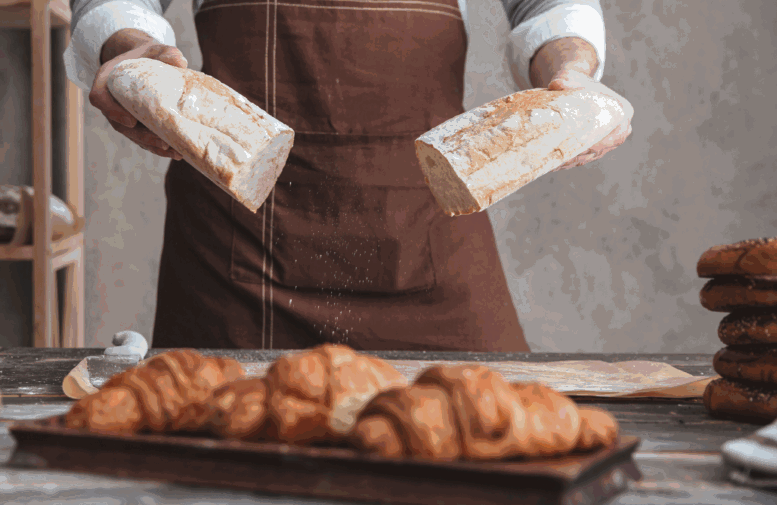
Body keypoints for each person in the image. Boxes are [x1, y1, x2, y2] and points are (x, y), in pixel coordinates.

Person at [64, 0, 634, 351]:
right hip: (235, 256)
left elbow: (547, 5)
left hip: (426, 226)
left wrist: (572, 72)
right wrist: (133, 49)